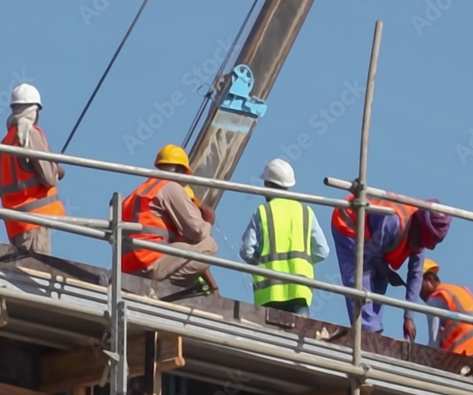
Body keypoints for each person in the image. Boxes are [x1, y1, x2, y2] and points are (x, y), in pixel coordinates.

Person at [330, 194, 451, 340]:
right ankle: (366, 334)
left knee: (380, 279)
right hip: (349, 222)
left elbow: (415, 275)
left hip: (374, 241)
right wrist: (387, 272)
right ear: (418, 229)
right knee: (361, 279)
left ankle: (374, 332)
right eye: (421, 241)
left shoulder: (419, 236)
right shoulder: (393, 222)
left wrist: (409, 316)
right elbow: (368, 256)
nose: (420, 246)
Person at [239, 159, 329, 316]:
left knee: (269, 340)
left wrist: (261, 264)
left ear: (268, 184)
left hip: (268, 294)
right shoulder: (305, 211)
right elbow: (322, 251)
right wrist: (303, 261)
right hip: (299, 291)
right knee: (298, 339)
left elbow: (246, 251)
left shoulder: (262, 211)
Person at [120, 144, 217, 286]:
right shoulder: (170, 187)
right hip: (150, 265)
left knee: (185, 246)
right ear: (181, 171)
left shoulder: (137, 193)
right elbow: (197, 231)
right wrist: (208, 221)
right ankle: (164, 286)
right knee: (210, 245)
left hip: (126, 267)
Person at [0, 83, 66, 256]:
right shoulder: (30, 134)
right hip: (34, 219)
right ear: (34, 111)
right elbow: (49, 178)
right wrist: (55, 170)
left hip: (15, 223)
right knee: (37, 276)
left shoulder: (6, 141)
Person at [420, 259, 473, 360]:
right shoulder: (459, 291)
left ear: (429, 280)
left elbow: (433, 344)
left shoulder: (434, 299)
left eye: (418, 286)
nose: (418, 292)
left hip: (467, 352)